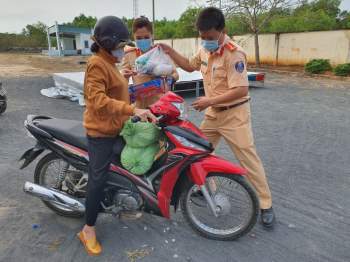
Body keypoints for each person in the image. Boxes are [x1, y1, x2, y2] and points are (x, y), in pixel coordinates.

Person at [159, 7, 275, 228]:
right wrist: (169, 51)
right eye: (202, 37)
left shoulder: (235, 54)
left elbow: (241, 90)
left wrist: (208, 101)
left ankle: (266, 204)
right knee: (196, 151)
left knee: (248, 160)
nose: (205, 41)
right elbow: (189, 66)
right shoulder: (204, 49)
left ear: (223, 31)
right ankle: (207, 190)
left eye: (210, 37)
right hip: (213, 115)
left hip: (234, 115)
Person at [78, 16, 156, 256]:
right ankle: (88, 229)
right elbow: (97, 100)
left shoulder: (109, 62)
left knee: (137, 155)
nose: (124, 49)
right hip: (101, 133)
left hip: (116, 127)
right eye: (121, 45)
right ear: (108, 42)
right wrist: (132, 109)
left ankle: (123, 198)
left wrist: (124, 76)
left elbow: (113, 89)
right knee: (98, 179)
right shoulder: (96, 64)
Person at [121, 16, 179, 109]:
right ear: (134, 37)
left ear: (152, 35)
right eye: (139, 38)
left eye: (146, 37)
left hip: (159, 105)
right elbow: (123, 81)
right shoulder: (130, 54)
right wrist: (124, 77)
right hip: (139, 107)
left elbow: (175, 73)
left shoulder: (160, 52)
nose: (142, 40)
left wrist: (169, 80)